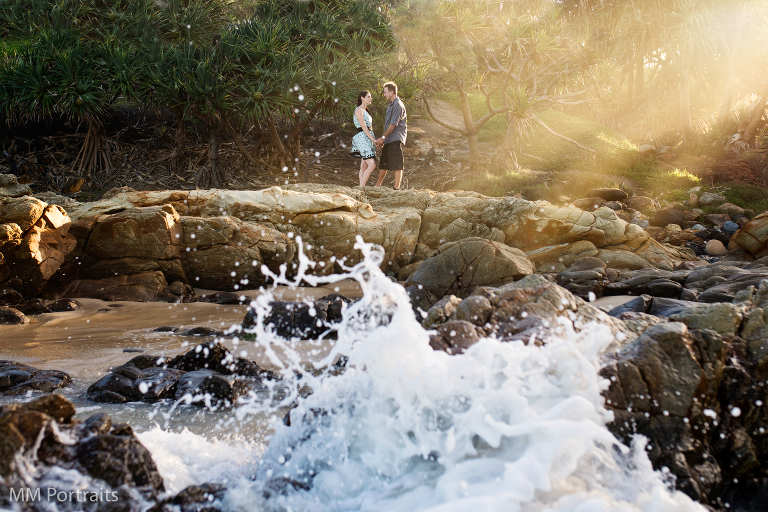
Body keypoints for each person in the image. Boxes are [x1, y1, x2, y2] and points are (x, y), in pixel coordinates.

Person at [375, 81, 407, 190]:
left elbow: (393, 124)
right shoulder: (390, 105)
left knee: (397, 163)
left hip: (396, 138)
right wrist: (384, 140)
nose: (384, 94)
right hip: (389, 139)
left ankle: (396, 189)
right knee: (384, 163)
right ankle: (377, 187)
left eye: (385, 92)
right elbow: (388, 125)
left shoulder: (398, 105)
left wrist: (383, 138)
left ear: (391, 92)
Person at [351, 90, 377, 187]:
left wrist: (372, 139)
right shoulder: (358, 110)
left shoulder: (366, 111)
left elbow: (369, 127)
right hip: (362, 138)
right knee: (372, 164)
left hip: (367, 138)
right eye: (368, 97)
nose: (371, 98)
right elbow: (363, 126)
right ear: (362, 98)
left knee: (364, 166)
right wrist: (372, 139)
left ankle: (361, 187)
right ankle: (361, 188)